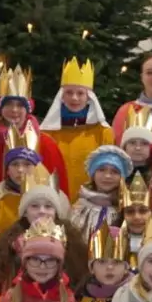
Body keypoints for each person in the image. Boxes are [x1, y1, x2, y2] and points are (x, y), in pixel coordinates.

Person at [0, 66, 68, 199]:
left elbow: (59, 189)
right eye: (8, 104)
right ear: (0, 108)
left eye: (20, 105)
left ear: (28, 109)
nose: (14, 110)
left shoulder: (47, 144)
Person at [41, 57, 112, 198]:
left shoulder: (103, 132)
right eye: (69, 93)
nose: (74, 98)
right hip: (55, 200)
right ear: (61, 96)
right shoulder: (47, 134)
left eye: (80, 93)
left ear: (88, 97)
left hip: (91, 201)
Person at [0, 127, 55, 245]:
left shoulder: (53, 197)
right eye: (14, 164)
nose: (20, 170)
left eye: (27, 164)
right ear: (7, 170)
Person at [70, 145, 131, 245]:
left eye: (114, 172)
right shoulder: (80, 206)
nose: (107, 176)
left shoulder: (125, 208)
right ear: (93, 174)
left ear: (122, 177)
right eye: (101, 170)